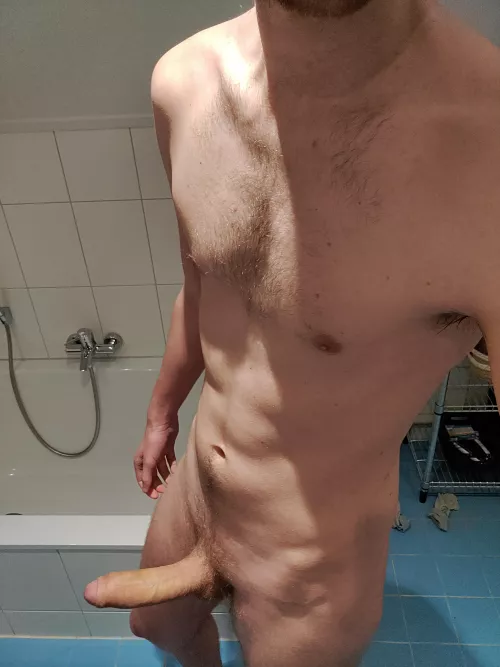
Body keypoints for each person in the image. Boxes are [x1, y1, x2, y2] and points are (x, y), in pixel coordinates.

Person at [84, 1, 500, 665]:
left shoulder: (486, 141)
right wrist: (162, 411)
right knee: (154, 627)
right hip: (198, 491)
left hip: (313, 560)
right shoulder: (183, 82)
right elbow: (201, 285)